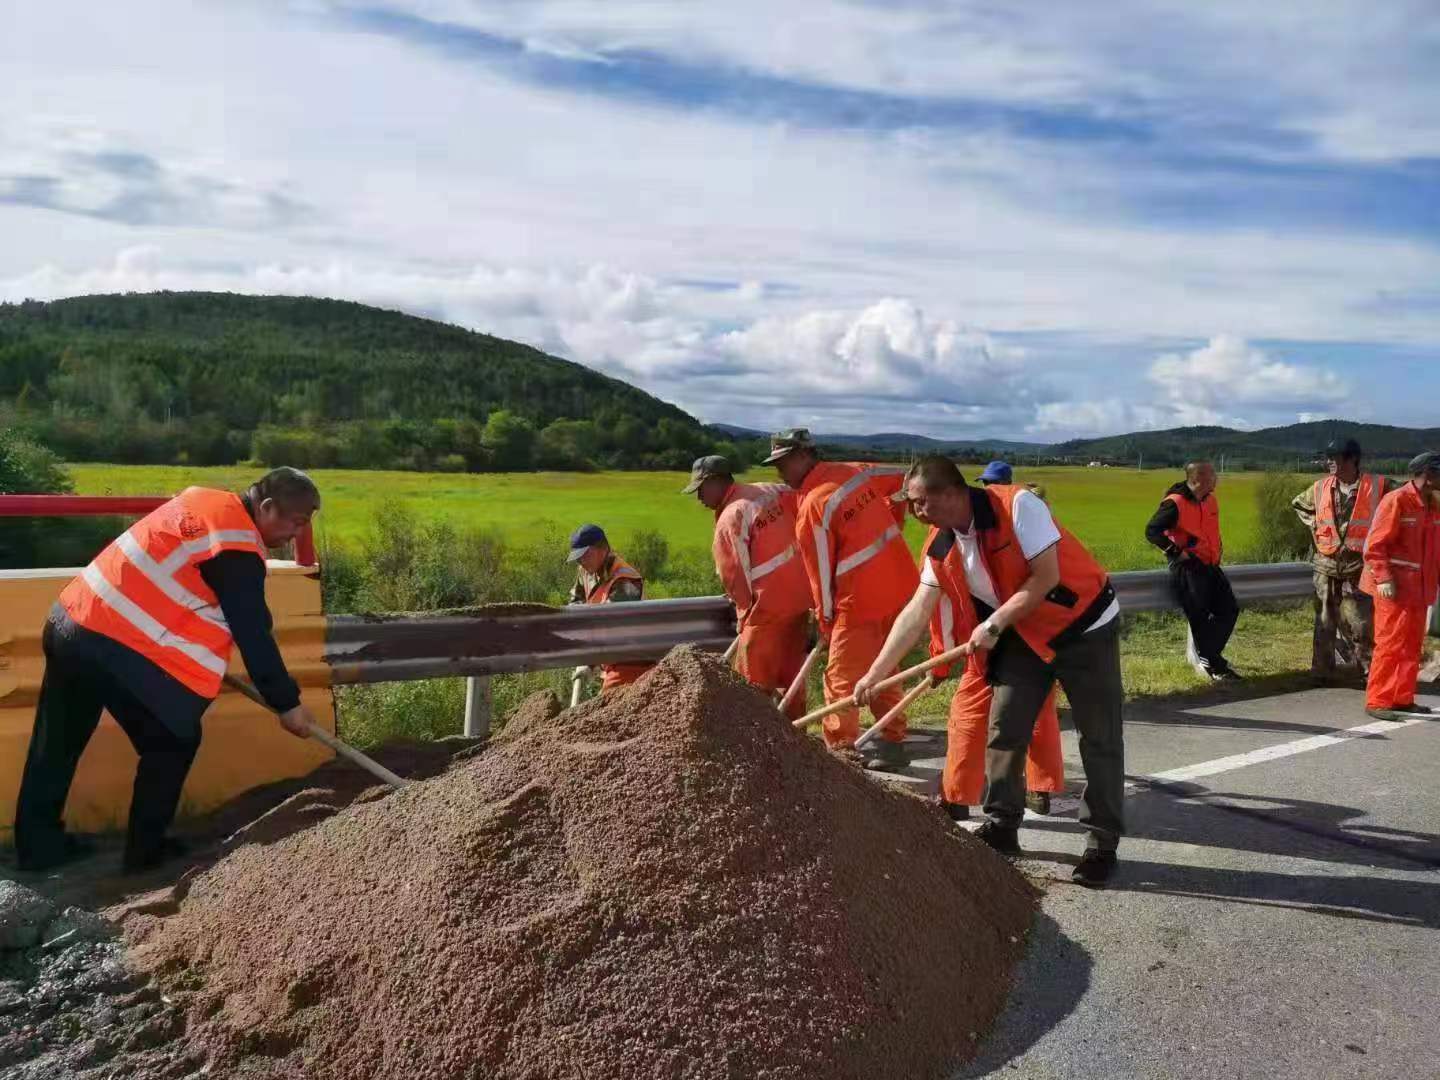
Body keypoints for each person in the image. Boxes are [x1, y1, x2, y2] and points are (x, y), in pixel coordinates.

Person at [14, 468, 319, 874]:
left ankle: (37, 849)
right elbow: (253, 633)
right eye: (297, 522)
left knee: (56, 743)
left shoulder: (204, 503)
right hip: (107, 642)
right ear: (266, 508)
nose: (298, 535)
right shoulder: (236, 548)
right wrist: (288, 704)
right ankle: (145, 855)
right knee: (173, 740)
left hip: (71, 619)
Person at [854, 456, 1124, 886]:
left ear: (950, 493)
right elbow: (916, 611)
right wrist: (875, 673)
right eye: (910, 503)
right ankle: (1002, 825)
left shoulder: (1017, 506)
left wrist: (993, 624)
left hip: (1083, 626)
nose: (914, 511)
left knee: (1100, 736)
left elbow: (1046, 577)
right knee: (1006, 726)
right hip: (1023, 632)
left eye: (920, 502)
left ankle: (1101, 843)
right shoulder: (940, 543)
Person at [765, 429, 916, 770]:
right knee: (883, 665)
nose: (780, 472)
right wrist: (895, 516)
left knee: (840, 678)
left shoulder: (813, 507)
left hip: (860, 600)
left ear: (804, 456)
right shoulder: (854, 470)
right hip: (900, 585)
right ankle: (892, 741)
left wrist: (826, 622)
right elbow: (903, 478)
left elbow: (819, 576)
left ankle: (841, 756)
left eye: (783, 462)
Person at [684, 455, 813, 718]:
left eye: (700, 489)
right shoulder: (768, 489)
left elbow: (733, 575)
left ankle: (758, 744)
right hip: (802, 598)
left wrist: (744, 617)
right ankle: (798, 736)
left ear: (716, 481)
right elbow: (803, 503)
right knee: (792, 674)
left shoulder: (730, 517)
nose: (699, 498)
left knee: (752, 684)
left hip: (766, 609)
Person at [1291, 439, 1392, 680]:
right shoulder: (1320, 487)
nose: (1329, 462)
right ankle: (1321, 672)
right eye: (1328, 458)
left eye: (1334, 458)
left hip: (1360, 565)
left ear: (1351, 460)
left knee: (1362, 622)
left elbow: (1403, 505)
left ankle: (1368, 671)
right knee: (1324, 622)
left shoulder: (1380, 486)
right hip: (1326, 564)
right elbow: (1299, 505)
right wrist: (1315, 525)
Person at [1359, 452, 1440, 721]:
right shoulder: (1396, 501)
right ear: (1427, 475)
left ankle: (1402, 698)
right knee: (1390, 643)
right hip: (1393, 589)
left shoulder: (1433, 505)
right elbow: (1375, 546)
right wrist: (1383, 579)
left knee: (1412, 646)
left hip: (1420, 589)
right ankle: (1378, 701)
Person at [1144, 461, 1240, 681]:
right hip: (1188, 568)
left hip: (1210, 564)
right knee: (1199, 617)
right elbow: (1152, 531)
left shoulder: (1210, 500)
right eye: (1212, 474)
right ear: (1198, 479)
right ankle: (1214, 664)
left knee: (1229, 609)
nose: (1217, 478)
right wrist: (1177, 553)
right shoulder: (1174, 502)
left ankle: (1209, 656)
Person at [566, 524, 652, 693]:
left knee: (610, 708)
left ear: (602, 549)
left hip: (630, 661)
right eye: (578, 558)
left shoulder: (626, 580)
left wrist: (590, 661)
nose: (581, 562)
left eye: (584, 555)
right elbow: (575, 604)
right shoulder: (585, 571)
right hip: (607, 657)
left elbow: (612, 627)